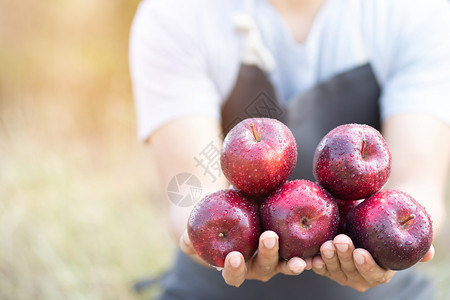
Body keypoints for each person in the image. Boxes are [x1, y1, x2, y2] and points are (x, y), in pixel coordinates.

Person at [129, 0, 450, 299]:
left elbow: (418, 181)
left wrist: (399, 243)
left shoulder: (416, 11)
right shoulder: (177, 13)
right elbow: (189, 189)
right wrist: (206, 240)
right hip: (212, 286)